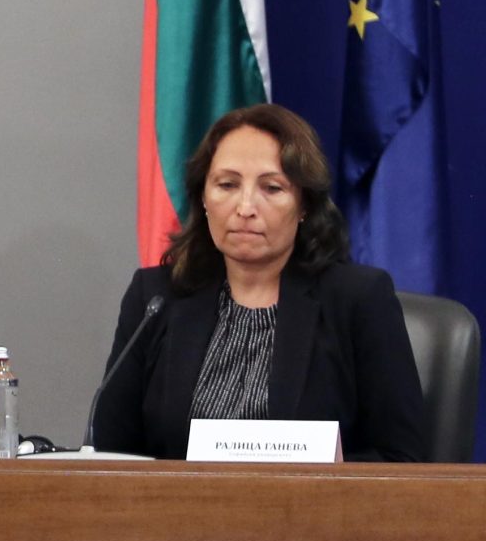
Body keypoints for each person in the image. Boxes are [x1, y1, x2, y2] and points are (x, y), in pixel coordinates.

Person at [88, 103, 425, 460]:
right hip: (178, 499)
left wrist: (330, 476)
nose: (245, 207)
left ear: (304, 204)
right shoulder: (155, 298)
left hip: (313, 498)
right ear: (203, 197)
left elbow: (402, 458)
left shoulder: (358, 299)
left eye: (272, 188)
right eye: (227, 185)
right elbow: (112, 453)